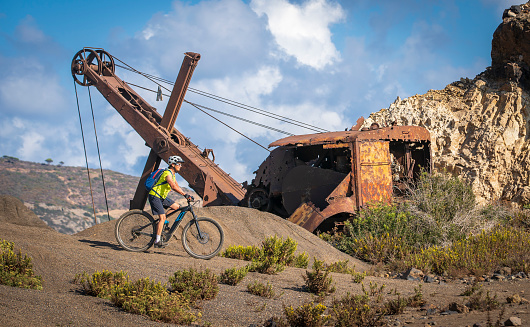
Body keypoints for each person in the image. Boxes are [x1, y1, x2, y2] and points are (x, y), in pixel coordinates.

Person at [148, 155, 192, 248]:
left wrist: (186, 195)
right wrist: (184, 195)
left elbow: (177, 186)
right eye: (179, 164)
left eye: (180, 164)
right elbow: (172, 185)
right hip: (155, 195)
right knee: (162, 218)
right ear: (172, 164)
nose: (180, 166)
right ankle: (157, 240)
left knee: (176, 207)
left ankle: (162, 223)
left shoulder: (173, 174)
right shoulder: (167, 173)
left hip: (161, 197)